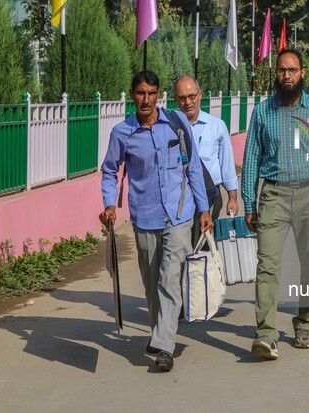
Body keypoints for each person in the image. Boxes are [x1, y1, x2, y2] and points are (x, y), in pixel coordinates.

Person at [99, 71, 213, 371]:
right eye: (140, 93)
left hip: (179, 215)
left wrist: (203, 210)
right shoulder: (122, 133)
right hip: (145, 216)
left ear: (158, 94)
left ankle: (164, 346)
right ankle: (158, 331)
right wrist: (109, 205)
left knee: (169, 278)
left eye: (151, 93)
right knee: (151, 284)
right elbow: (109, 171)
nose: (146, 99)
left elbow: (193, 168)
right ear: (132, 94)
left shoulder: (176, 124)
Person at [242, 49, 309, 360]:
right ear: (276, 74)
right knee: (267, 265)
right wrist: (250, 202)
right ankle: (265, 333)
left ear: (302, 73)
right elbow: (251, 160)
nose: (287, 76)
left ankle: (305, 321)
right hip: (273, 195)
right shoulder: (263, 112)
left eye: (292, 70)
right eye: (282, 70)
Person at [173, 75, 239, 246]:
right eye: (182, 98)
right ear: (175, 100)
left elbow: (226, 163)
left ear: (200, 95)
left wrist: (232, 197)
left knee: (204, 246)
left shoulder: (216, 126)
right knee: (182, 246)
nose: (187, 102)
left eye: (191, 96)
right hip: (180, 197)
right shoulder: (170, 128)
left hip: (210, 195)